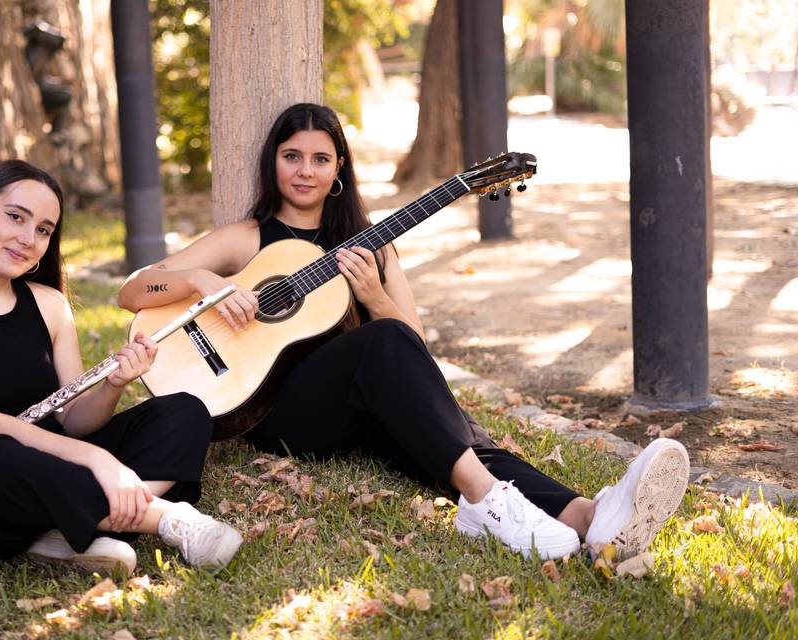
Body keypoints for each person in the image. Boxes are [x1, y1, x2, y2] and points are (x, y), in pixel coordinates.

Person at [117, 104, 690, 561]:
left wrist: (373, 295)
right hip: (273, 413)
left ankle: (587, 517)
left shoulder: (373, 242)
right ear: (274, 164)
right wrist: (199, 278)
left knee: (449, 435)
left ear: (339, 167)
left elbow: (411, 346)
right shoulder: (248, 239)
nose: (305, 171)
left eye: (320, 158)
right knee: (388, 355)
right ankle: (484, 502)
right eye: (292, 156)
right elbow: (135, 291)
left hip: (357, 410)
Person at [0, 160, 242, 573]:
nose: (28, 238)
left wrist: (113, 384)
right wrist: (99, 462)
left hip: (54, 465)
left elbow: (73, 421)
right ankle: (168, 519)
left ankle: (64, 530)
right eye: (15, 217)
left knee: (183, 412)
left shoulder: (50, 304)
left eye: (43, 229)